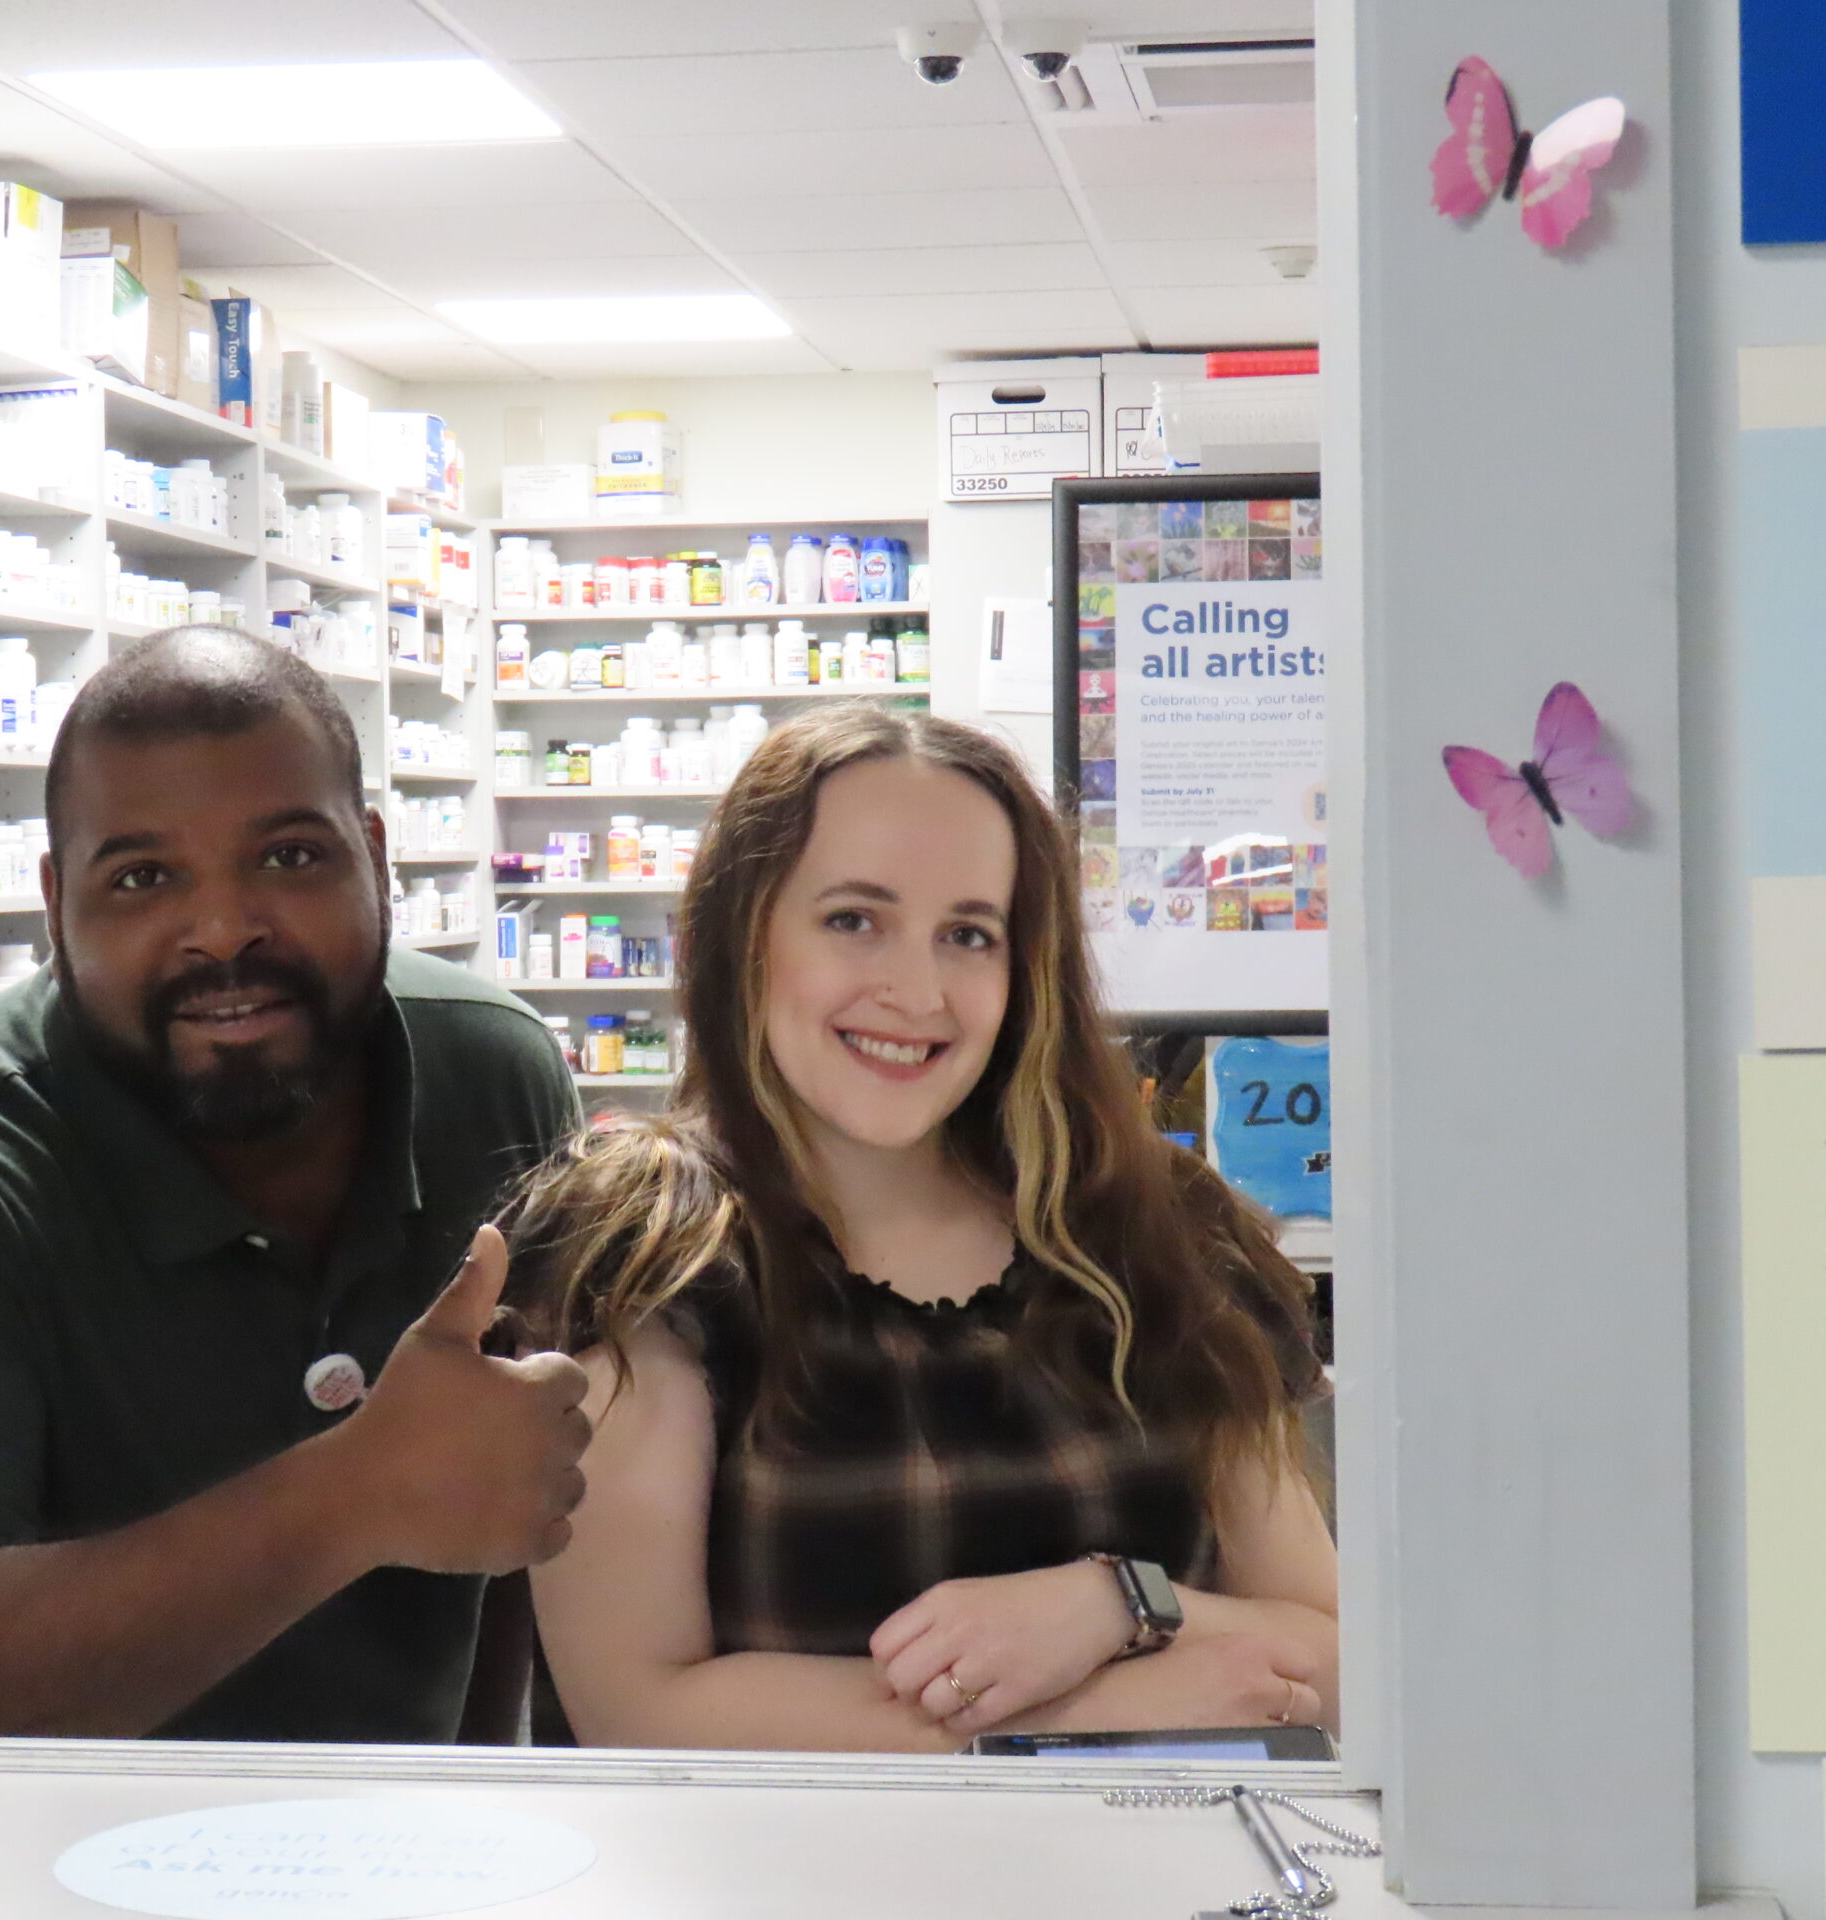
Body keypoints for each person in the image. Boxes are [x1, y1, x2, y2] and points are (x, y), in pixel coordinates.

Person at [0, 627, 592, 1743]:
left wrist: (484, 1790)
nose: (223, 931)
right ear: (56, 906)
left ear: (374, 856)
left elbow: (514, 1497)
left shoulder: (490, 1076)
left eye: (290, 856)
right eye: (143, 877)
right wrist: (354, 1493)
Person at [510, 706, 1335, 1752]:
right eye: (853, 919)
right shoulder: (652, 1249)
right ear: (743, 931)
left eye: (967, 934)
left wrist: (1116, 1605)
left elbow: (1338, 1659)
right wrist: (1099, 1705)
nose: (916, 992)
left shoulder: (1154, 1227)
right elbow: (640, 1711)